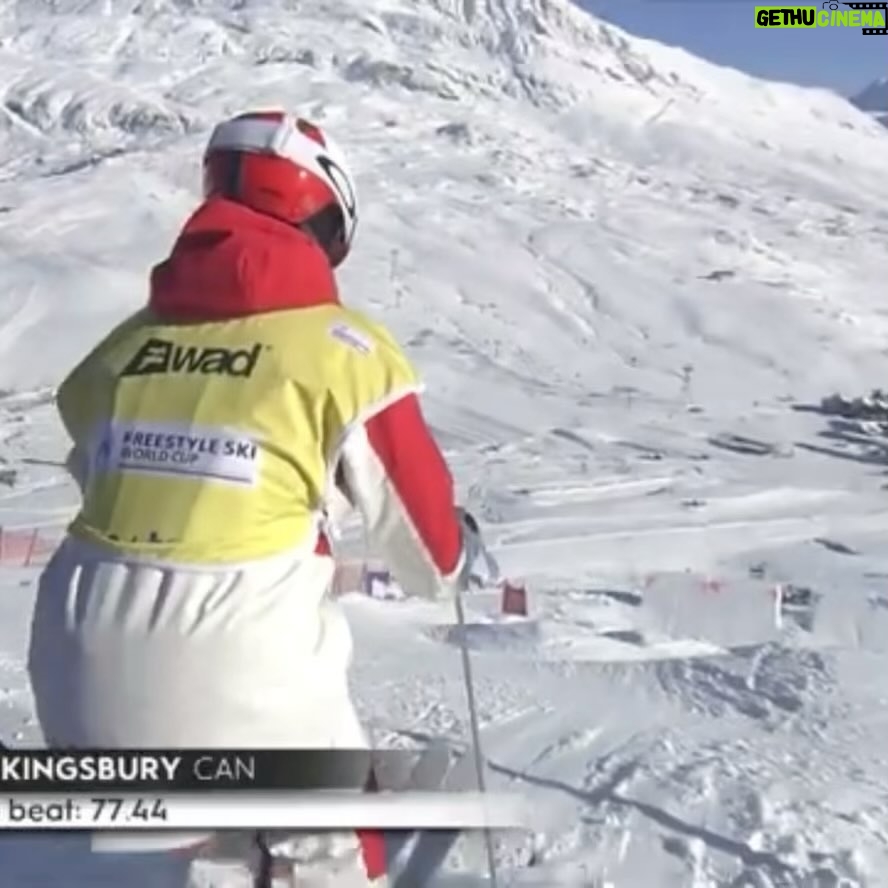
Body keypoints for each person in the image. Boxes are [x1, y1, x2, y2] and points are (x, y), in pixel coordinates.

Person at [26, 109, 493, 886]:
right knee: (336, 833)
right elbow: (432, 560)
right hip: (239, 677)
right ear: (322, 218)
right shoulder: (344, 351)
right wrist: (461, 545)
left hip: (72, 679)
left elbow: (103, 465)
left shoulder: (122, 348)